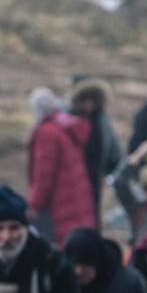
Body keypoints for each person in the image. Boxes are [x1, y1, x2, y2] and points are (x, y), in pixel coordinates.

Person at [26, 87, 98, 244]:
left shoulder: (47, 132)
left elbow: (43, 174)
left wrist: (33, 204)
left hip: (59, 205)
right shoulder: (65, 127)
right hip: (77, 201)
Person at [67, 78, 122, 215]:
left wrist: (112, 170)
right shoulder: (66, 120)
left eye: (91, 99)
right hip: (71, 179)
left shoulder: (101, 119)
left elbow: (112, 148)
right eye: (84, 99)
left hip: (94, 179)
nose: (88, 104)